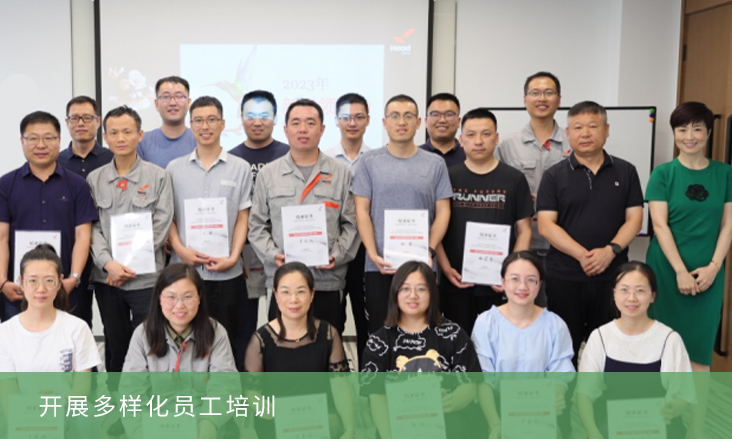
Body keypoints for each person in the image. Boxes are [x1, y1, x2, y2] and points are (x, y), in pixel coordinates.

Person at [644, 102, 732, 439]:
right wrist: (680, 271)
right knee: (661, 348)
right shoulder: (663, 174)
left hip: (709, 275)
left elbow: (728, 225)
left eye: (697, 128)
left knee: (699, 355)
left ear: (709, 131)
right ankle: (657, 425)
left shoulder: (725, 173)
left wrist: (714, 267)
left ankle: (695, 430)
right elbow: (660, 226)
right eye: (682, 129)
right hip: (666, 272)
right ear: (675, 133)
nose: (689, 136)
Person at [536, 101, 643, 364]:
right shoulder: (553, 175)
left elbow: (635, 220)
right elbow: (546, 225)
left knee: (611, 350)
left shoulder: (626, 171)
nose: (585, 133)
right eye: (578, 127)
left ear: (606, 130)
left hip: (613, 277)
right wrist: (582, 255)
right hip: (565, 277)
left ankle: (604, 393)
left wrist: (610, 251)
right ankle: (566, 392)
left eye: (593, 126)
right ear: (568, 133)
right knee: (563, 351)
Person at [249, 99, 358, 331]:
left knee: (328, 345)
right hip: (283, 283)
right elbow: (256, 226)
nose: (303, 129)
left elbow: (352, 224)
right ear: (285, 129)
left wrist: (337, 256)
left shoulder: (341, 173)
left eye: (310, 123)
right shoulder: (268, 174)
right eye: (296, 123)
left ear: (322, 129)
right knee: (281, 346)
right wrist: (274, 256)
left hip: (327, 281)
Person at [352, 94, 452, 334]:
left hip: (422, 264)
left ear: (418, 123)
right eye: (395, 116)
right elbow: (361, 211)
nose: (401, 122)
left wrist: (429, 250)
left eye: (408, 116)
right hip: (380, 266)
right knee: (381, 331)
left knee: (423, 330)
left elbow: (443, 212)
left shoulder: (435, 163)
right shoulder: (368, 162)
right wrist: (372, 253)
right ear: (384, 122)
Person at [87, 106, 174, 373]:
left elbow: (162, 223)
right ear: (105, 137)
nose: (121, 138)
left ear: (140, 135)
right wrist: (109, 264)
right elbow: (92, 228)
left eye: (127, 131)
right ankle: (117, 399)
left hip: (146, 278)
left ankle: (151, 397)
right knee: (116, 345)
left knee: (150, 344)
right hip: (108, 279)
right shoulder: (94, 179)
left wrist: (130, 262)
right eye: (113, 133)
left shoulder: (159, 176)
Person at [166, 96, 252, 359]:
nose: (205, 126)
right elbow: (168, 217)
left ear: (223, 124)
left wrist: (233, 257)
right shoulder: (174, 169)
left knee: (227, 340)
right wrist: (180, 250)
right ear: (191, 125)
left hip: (226, 272)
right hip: (184, 272)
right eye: (199, 120)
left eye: (212, 119)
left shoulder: (240, 168)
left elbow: (243, 217)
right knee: (184, 341)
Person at [360, 261, 485, 439]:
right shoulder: (379, 341)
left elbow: (470, 382)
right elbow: (376, 396)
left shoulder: (453, 334)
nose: (413, 296)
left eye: (421, 289)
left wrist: (453, 401)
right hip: (399, 427)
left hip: (450, 423)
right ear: (395, 293)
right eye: (405, 289)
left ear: (432, 293)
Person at [437, 108, 533, 333]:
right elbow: (436, 228)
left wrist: (511, 274)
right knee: (458, 343)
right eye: (471, 135)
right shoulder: (448, 176)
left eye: (486, 134)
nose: (478, 141)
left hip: (499, 284)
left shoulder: (514, 179)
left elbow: (525, 230)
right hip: (456, 281)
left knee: (499, 342)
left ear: (496, 138)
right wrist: (446, 268)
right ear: (461, 140)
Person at [576, 261, 694, 439]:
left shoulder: (669, 339)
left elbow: (684, 395)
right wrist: (592, 432)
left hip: (659, 426)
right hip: (611, 426)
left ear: (652, 296)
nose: (631, 298)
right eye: (624, 290)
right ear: (614, 294)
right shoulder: (600, 336)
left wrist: (673, 408)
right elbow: (584, 394)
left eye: (640, 290)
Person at [121, 264, 238, 439]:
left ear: (199, 298)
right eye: (171, 297)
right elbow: (131, 391)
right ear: (159, 298)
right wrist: (140, 432)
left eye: (187, 297)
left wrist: (210, 422)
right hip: (156, 421)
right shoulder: (143, 334)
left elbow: (225, 385)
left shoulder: (216, 332)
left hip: (202, 419)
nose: (179, 305)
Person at [0, 111, 97, 321]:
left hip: (65, 289)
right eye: (33, 138)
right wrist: (2, 282)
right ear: (22, 141)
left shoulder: (77, 185)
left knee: (68, 340)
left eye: (48, 138)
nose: (41, 145)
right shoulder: (5, 185)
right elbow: (2, 237)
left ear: (59, 140)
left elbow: (83, 236)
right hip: (18, 290)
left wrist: (73, 278)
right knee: (16, 341)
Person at [243, 262, 355, 439]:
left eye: (301, 292)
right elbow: (251, 391)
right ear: (276, 295)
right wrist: (267, 410)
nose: (293, 299)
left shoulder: (328, 334)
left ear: (312, 294)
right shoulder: (261, 340)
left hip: (320, 422)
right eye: (285, 292)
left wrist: (349, 429)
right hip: (277, 424)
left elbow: (340, 387)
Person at [470, 251, 574, 438]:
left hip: (541, 410)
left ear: (539, 284)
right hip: (496, 410)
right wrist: (495, 424)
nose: (522, 287)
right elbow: (483, 379)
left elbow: (560, 375)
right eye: (514, 279)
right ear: (503, 282)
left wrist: (556, 399)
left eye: (531, 280)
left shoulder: (554, 324)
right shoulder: (486, 323)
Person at [495, 71, 571, 307]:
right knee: (522, 312)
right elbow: (495, 190)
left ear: (559, 99)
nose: (542, 98)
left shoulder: (574, 142)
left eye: (549, 93)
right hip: (521, 244)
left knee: (560, 313)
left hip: (565, 246)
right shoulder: (507, 144)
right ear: (525, 99)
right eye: (535, 93)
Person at [229, 90, 289, 368]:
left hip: (283, 251)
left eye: (264, 115)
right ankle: (245, 380)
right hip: (244, 253)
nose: (257, 122)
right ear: (240, 118)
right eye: (250, 115)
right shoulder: (231, 159)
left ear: (275, 119)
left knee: (282, 319)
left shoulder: (289, 154)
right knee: (244, 323)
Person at [58, 95, 114, 328]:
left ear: (98, 121)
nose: (80, 123)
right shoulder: (56, 161)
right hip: (71, 251)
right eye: (75, 118)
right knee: (75, 320)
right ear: (67, 122)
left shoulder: (113, 158)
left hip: (109, 251)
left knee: (113, 323)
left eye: (87, 118)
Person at [0, 243, 100, 372]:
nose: (41, 289)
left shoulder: (78, 328)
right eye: (33, 281)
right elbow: (8, 384)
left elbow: (82, 383)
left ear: (59, 282)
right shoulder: (5, 333)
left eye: (49, 281)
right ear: (21, 282)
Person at [324, 92, 371, 353]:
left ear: (368, 120)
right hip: (333, 250)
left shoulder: (376, 158)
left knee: (367, 319)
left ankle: (367, 374)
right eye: (346, 117)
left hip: (367, 250)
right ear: (336, 120)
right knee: (333, 320)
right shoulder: (324, 158)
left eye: (358, 117)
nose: (352, 123)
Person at [137, 76, 197, 169]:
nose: (173, 103)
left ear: (189, 103)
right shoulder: (142, 142)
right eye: (166, 97)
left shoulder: (199, 140)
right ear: (156, 104)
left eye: (179, 96)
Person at [418, 93, 465, 167]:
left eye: (449, 114)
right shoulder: (414, 156)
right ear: (426, 121)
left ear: (458, 121)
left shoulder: (470, 155)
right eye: (435, 114)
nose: (442, 120)